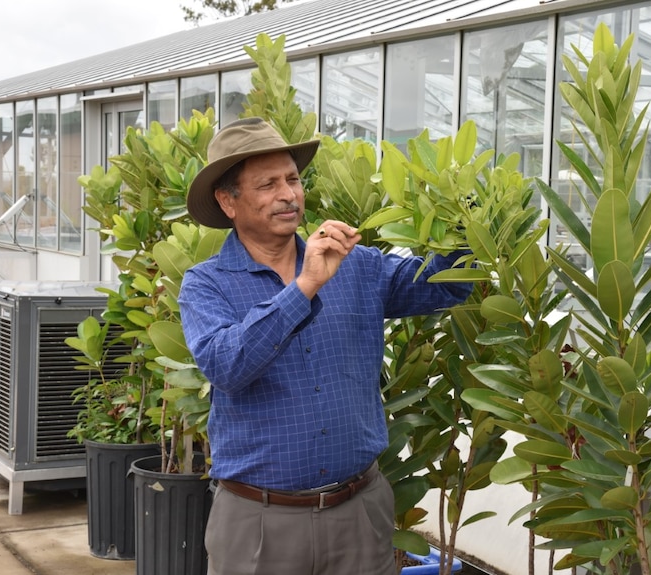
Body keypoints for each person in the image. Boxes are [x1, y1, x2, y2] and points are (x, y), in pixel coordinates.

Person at [178, 117, 473, 575]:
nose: (288, 194)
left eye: (293, 179)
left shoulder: (359, 267)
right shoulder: (205, 285)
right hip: (257, 522)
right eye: (268, 184)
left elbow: (446, 287)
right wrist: (306, 285)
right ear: (227, 201)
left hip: (357, 513)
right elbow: (227, 365)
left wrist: (465, 212)